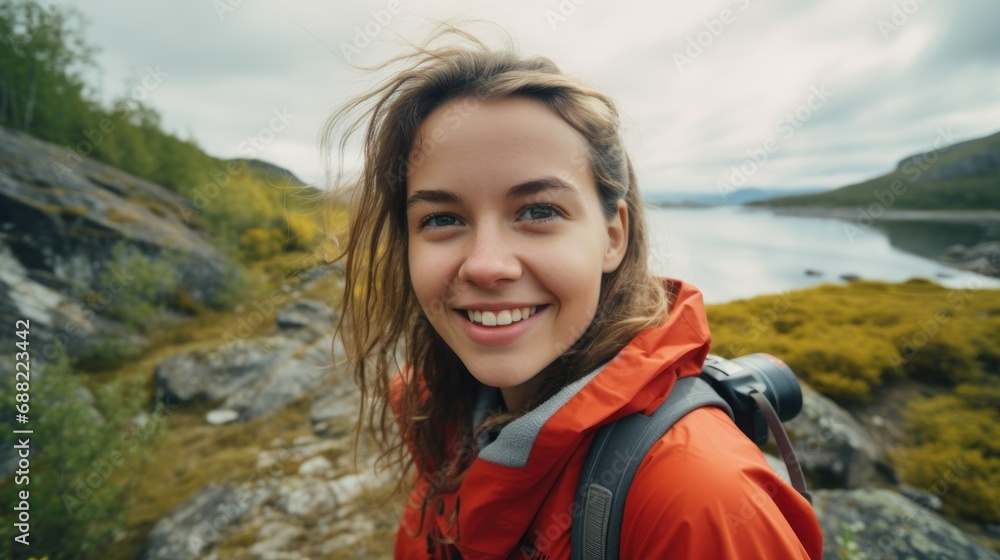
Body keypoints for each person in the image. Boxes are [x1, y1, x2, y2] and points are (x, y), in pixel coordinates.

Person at [327, 27, 823, 560]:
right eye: (442, 218)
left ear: (613, 236)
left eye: (538, 211)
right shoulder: (438, 416)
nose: (487, 265)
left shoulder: (698, 500)